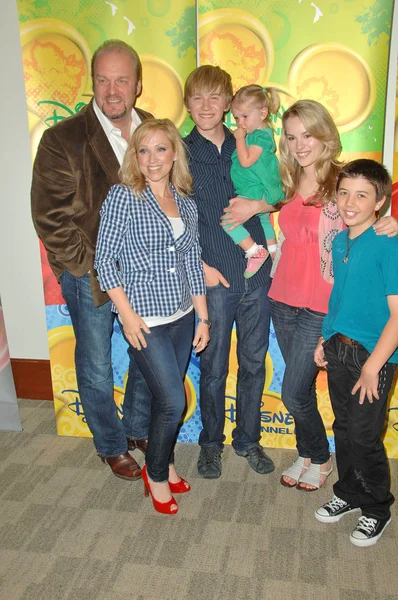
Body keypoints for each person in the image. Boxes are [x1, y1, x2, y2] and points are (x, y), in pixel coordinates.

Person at [222, 99, 398, 491]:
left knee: (292, 392)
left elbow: (370, 205)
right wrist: (255, 203)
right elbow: (278, 202)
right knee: (298, 389)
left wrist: (391, 221)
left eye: (308, 135)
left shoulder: (341, 180)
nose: (301, 144)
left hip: (322, 305)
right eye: (291, 136)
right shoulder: (284, 176)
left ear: (325, 136)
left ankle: (319, 456)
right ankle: (306, 451)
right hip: (282, 297)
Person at [31, 40, 154, 480]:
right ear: (92, 83)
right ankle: (109, 443)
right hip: (91, 275)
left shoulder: (156, 131)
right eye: (103, 79)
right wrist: (90, 269)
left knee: (147, 355)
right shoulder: (62, 139)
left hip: (149, 272)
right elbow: (50, 218)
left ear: (138, 84)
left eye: (122, 79)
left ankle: (138, 427)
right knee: (97, 362)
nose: (112, 89)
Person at [95, 118, 209, 514]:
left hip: (181, 315)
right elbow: (104, 262)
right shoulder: (124, 196)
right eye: (143, 150)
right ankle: (156, 474)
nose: (152, 158)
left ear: (174, 153)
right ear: (135, 157)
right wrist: (125, 316)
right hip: (144, 319)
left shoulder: (186, 203)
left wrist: (204, 318)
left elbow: (192, 262)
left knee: (165, 398)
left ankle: (167, 461)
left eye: (160, 149)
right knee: (172, 402)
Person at [184, 65, 275, 479]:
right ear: (187, 103)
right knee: (214, 368)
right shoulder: (179, 151)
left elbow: (282, 188)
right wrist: (199, 266)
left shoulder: (254, 138)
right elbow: (172, 219)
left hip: (257, 273)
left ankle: (248, 439)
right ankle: (210, 443)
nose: (207, 106)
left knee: (253, 363)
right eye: (198, 97)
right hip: (215, 278)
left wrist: (259, 206)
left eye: (215, 97)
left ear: (229, 102)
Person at [314, 159, 398, 547]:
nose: (350, 202)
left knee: (364, 436)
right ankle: (348, 494)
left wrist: (372, 368)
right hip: (338, 349)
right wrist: (324, 337)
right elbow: (339, 297)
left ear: (380, 201)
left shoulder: (389, 243)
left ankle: (377, 508)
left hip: (373, 357)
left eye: (362, 195)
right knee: (344, 429)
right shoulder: (340, 239)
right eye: (344, 192)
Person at [227, 84, 284, 277]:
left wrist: (239, 139)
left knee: (228, 220)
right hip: (256, 188)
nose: (240, 123)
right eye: (236, 117)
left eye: (244, 116)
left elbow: (246, 161)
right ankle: (274, 254)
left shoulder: (259, 137)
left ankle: (254, 251)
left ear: (262, 113)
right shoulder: (260, 134)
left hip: (252, 190)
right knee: (265, 221)